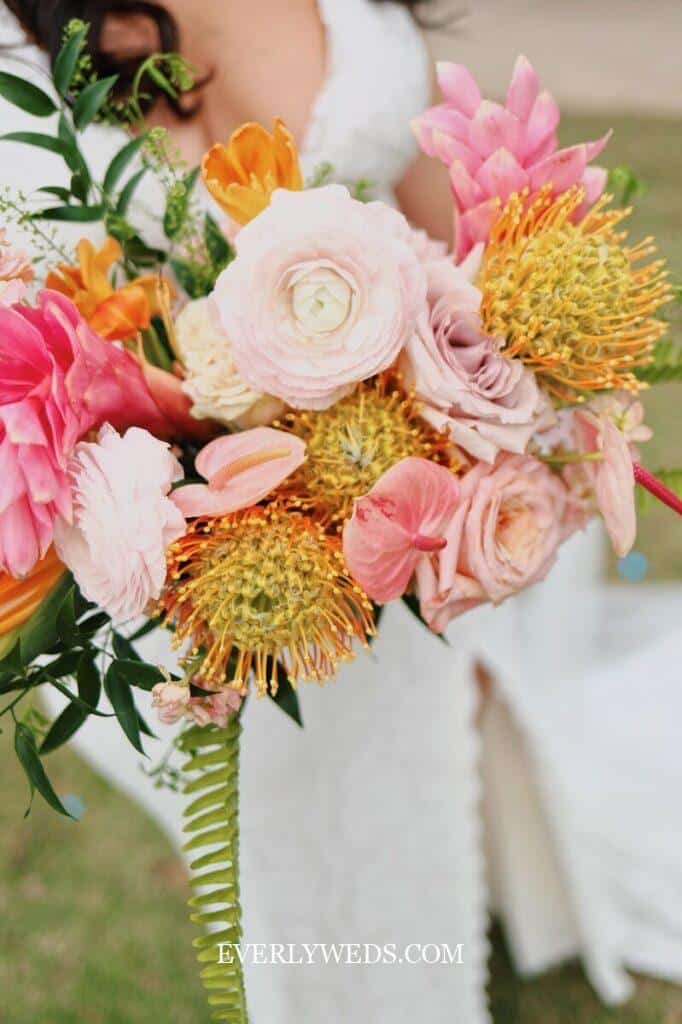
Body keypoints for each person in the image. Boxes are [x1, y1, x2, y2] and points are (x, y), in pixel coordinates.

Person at [3, 2, 681, 1020]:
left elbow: (437, 230)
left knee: (414, 753)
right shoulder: (24, 54)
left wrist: (495, 365)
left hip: (403, 469)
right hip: (176, 538)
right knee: (303, 826)